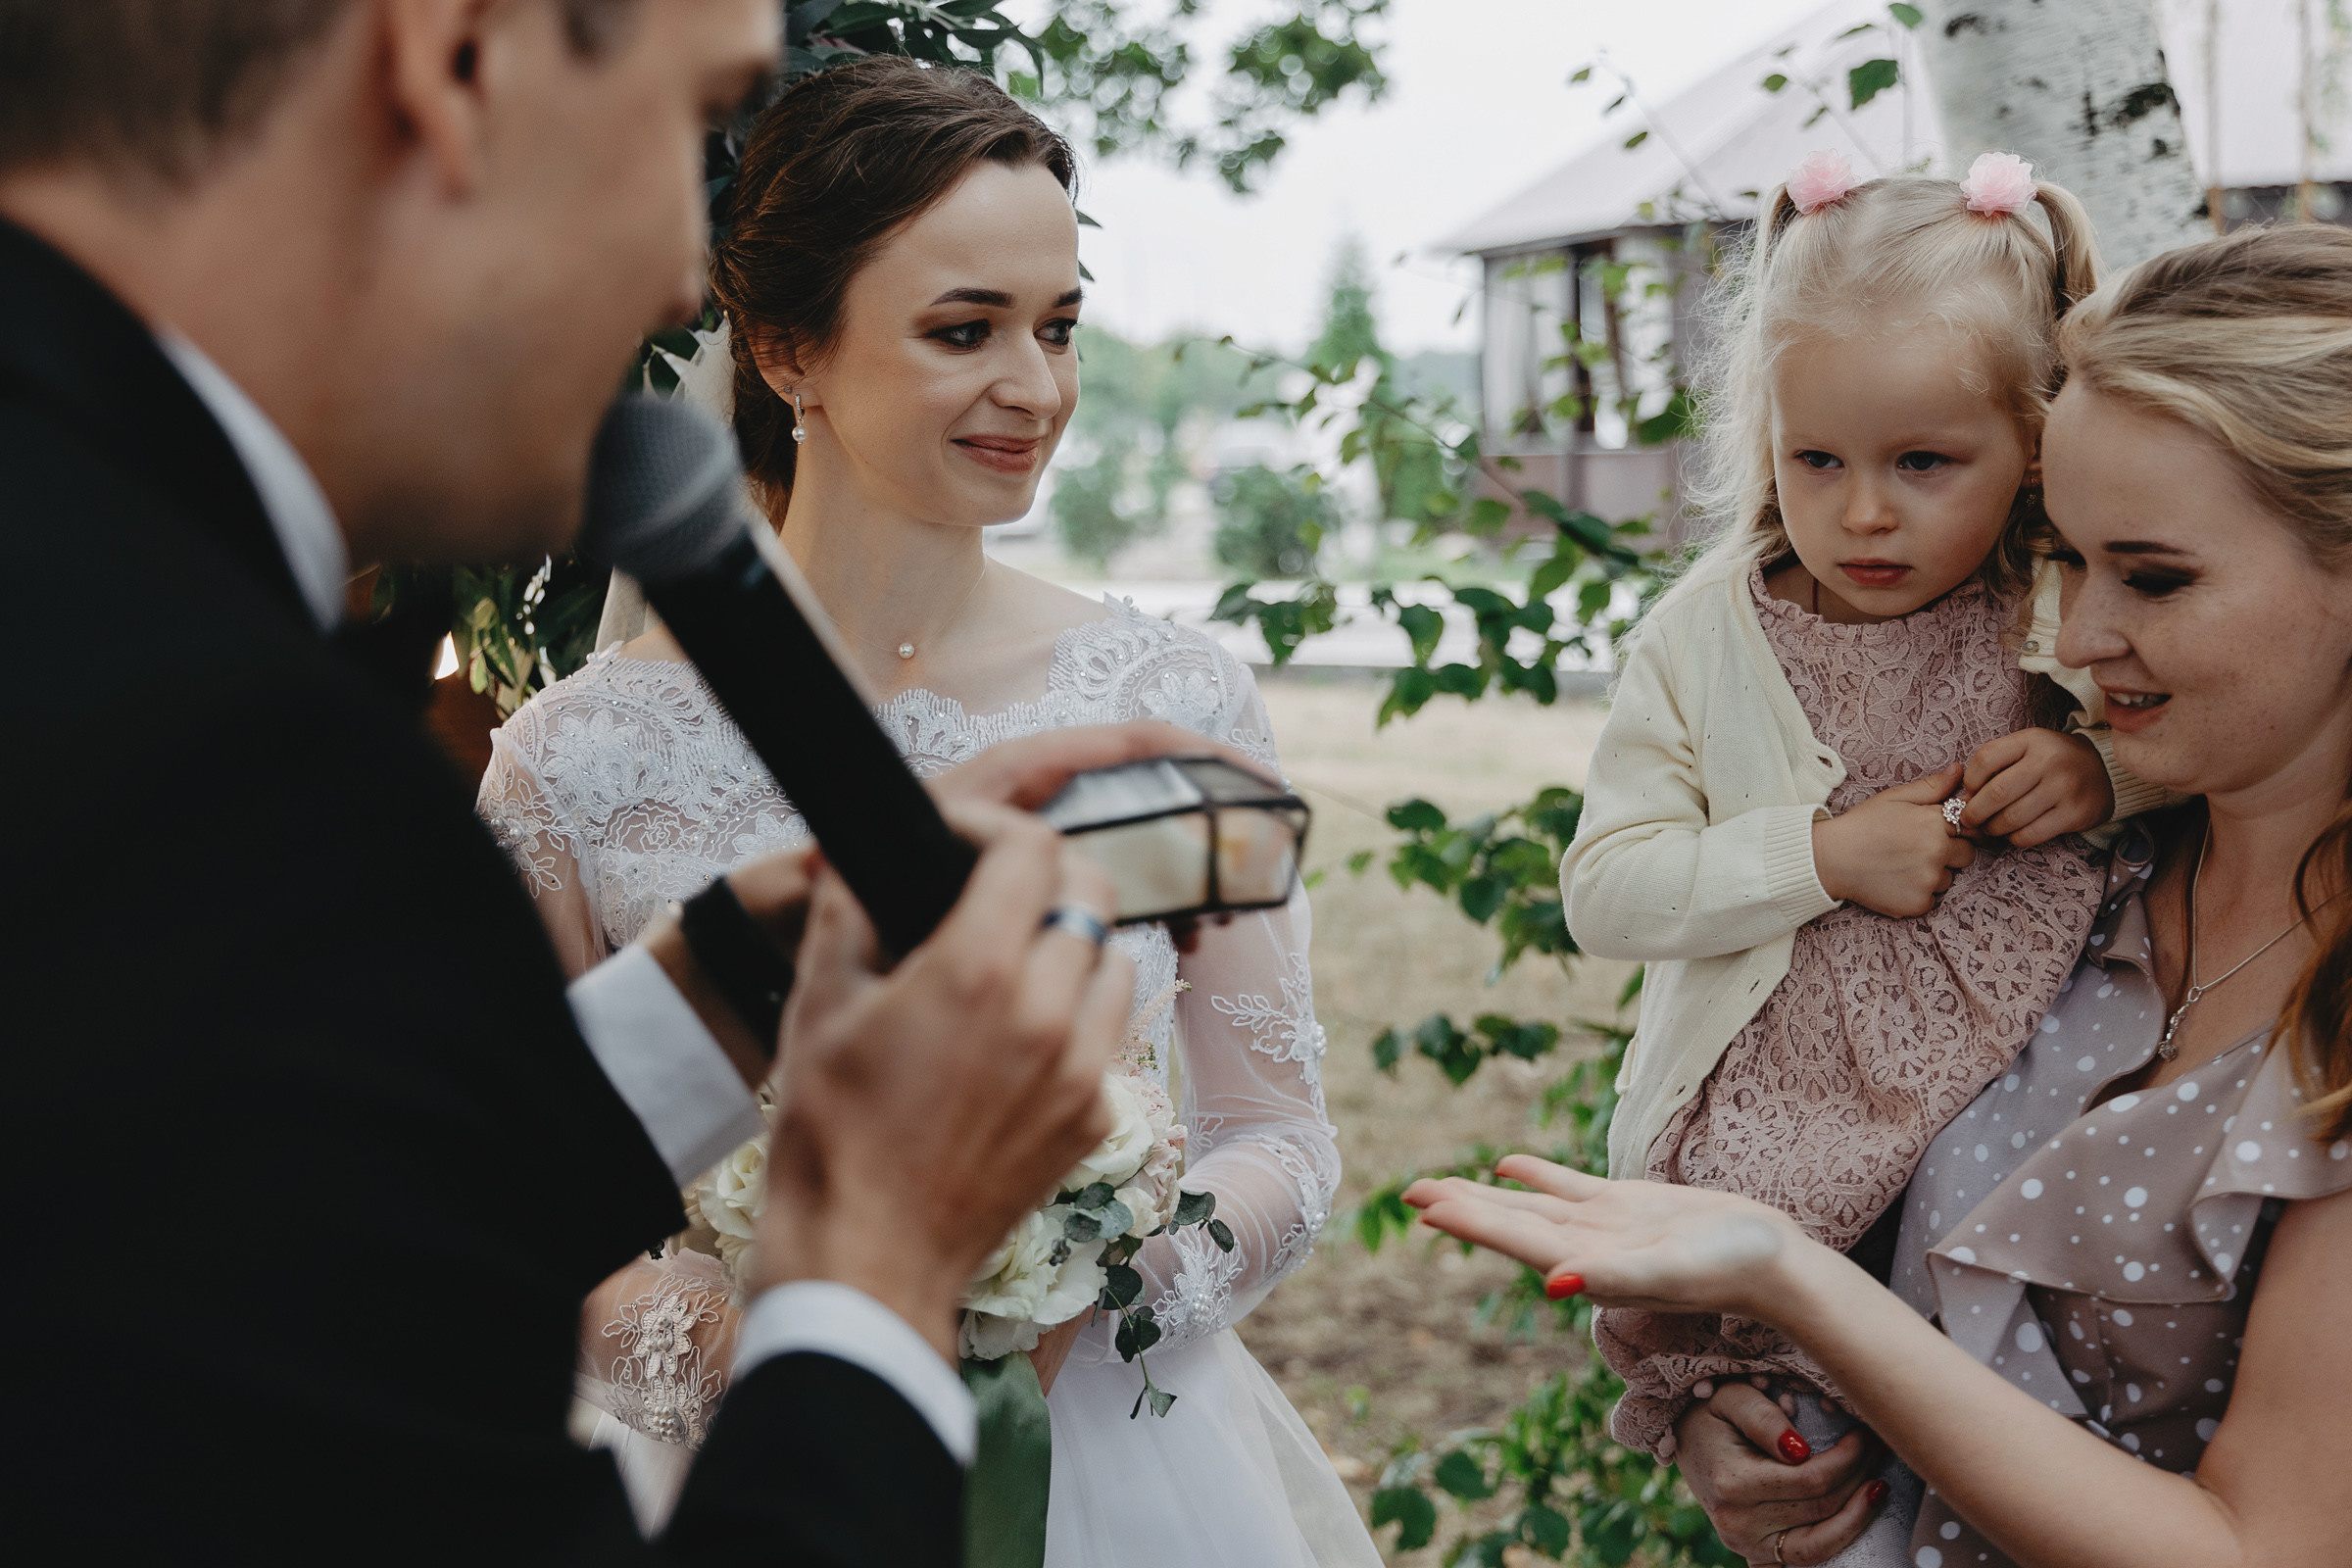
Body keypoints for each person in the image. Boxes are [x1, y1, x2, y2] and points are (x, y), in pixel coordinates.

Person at [0, 2, 1226, 1558]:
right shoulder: (217, 767)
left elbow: (226, 1249)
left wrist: (732, 974)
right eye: (689, 126)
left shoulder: (98, 610)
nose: (676, 275)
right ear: (453, 65)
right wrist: (878, 1268)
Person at [478, 56, 1380, 1568]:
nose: (1036, 387)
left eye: (1061, 327)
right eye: (966, 330)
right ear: (785, 351)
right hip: (731, 1483)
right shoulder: (575, 760)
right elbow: (507, 1221)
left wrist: (1091, 1285)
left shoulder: (1173, 703)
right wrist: (790, 1319)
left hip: (1112, 1461)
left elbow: (1276, 1131)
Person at [1410, 222, 2352, 1568]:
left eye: (2153, 575)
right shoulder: (2075, 871)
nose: (2075, 636)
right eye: (2062, 558)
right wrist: (1738, 1414)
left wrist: (1782, 1279)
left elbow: (2267, 1551)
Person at [1556, 152, 2163, 1560]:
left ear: (2034, 441)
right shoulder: (1710, 640)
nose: (1864, 513)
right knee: (1818, 1471)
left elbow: (2196, 769)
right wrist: (1821, 857)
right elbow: (1610, 887)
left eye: (1924, 464)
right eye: (1814, 459)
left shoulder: (2062, 603)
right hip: (1801, 1116)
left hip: (2014, 1098)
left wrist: (2101, 767)